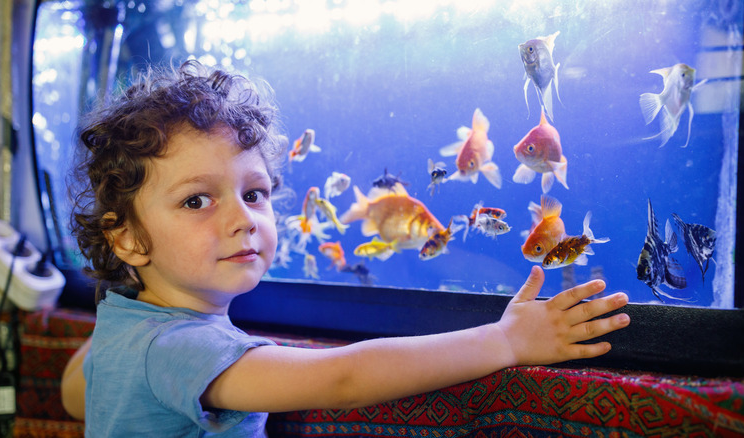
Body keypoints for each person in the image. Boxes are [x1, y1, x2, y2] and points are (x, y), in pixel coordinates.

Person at [60, 60, 630, 437]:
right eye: (196, 201)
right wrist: (506, 339)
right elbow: (344, 379)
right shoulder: (180, 349)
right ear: (129, 239)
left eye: (254, 193)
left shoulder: (122, 327)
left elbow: (73, 397)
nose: (243, 219)